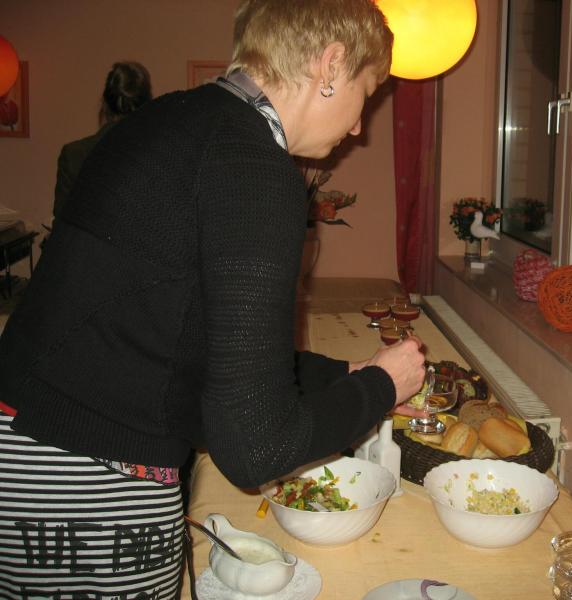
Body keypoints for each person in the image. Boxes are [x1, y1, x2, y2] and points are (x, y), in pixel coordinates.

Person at [0, 1, 424, 597]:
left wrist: (339, 374)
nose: (359, 127)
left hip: (23, 440)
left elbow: (194, 334)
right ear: (331, 65)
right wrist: (381, 387)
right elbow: (255, 448)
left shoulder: (171, 120)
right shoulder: (255, 167)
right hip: (82, 480)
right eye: (366, 92)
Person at [53, 60, 152, 220]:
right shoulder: (159, 154)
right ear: (148, 106)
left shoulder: (74, 154)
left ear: (104, 104)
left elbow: (62, 221)